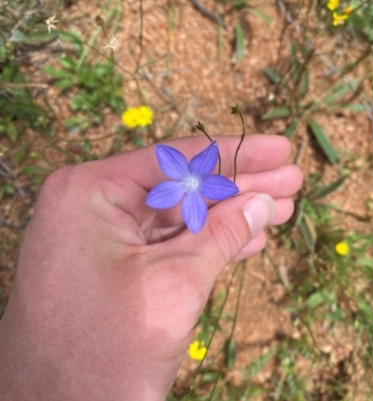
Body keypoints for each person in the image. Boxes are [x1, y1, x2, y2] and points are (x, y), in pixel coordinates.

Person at [0, 134, 302, 400]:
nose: (192, 182)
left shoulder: (201, 181)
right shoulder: (179, 190)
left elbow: (205, 180)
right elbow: (178, 203)